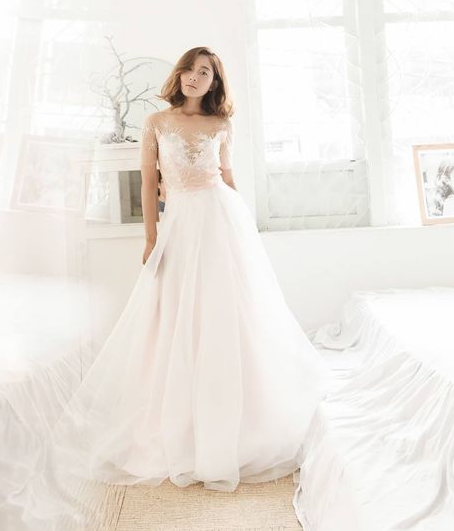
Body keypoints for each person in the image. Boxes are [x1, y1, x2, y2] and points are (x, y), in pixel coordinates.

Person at [57, 45, 325, 493]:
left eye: (205, 73)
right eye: (190, 69)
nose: (195, 78)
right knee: (175, 311)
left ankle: (232, 419)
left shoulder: (221, 125)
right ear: (180, 74)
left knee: (225, 310)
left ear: (214, 83)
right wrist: (150, 237)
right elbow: (148, 182)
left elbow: (227, 176)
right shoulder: (157, 123)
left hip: (221, 220)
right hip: (180, 224)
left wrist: (245, 224)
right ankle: (177, 422)